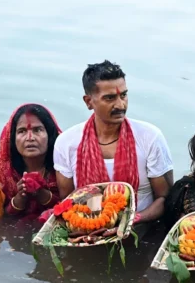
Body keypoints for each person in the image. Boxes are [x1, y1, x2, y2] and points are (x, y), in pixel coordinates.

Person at [53, 60, 174, 225]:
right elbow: (68, 201)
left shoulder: (150, 137)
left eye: (123, 95)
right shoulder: (66, 143)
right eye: (110, 98)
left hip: (140, 229)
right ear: (88, 102)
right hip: (89, 230)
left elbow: (165, 198)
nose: (120, 104)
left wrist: (132, 220)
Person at [0, 104, 62, 218]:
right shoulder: (1, 171)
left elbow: (73, 204)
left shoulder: (63, 165)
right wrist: (20, 198)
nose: (30, 137)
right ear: (13, 138)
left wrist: (42, 194)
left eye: (37, 130)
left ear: (50, 134)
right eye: (22, 131)